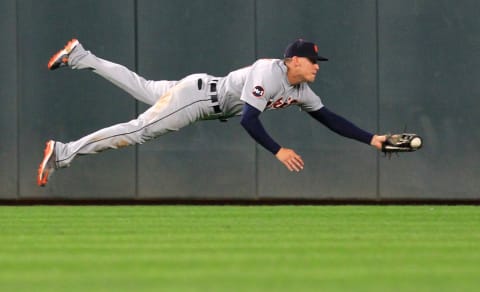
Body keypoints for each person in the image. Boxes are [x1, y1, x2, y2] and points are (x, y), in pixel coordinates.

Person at [37, 38, 386, 186]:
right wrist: (278, 151)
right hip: (201, 100)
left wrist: (374, 140)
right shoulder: (269, 71)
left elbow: (328, 117)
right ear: (294, 60)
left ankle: (81, 56)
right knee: (140, 129)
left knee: (142, 86)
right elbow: (249, 119)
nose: (317, 67)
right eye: (312, 61)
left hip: (201, 91)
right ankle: (64, 152)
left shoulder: (301, 89)